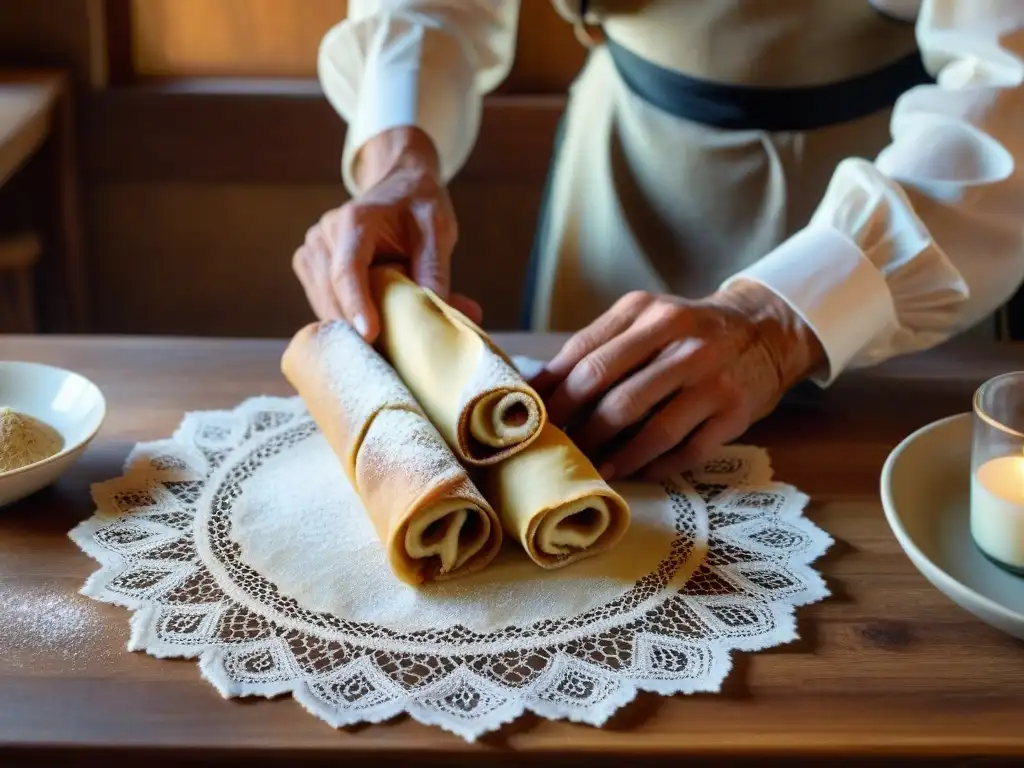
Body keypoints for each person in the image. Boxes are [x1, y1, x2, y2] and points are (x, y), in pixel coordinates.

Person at [294, 0, 1024, 481]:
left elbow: (1009, 79)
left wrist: (780, 324)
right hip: (620, 173)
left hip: (908, 222)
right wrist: (397, 162)